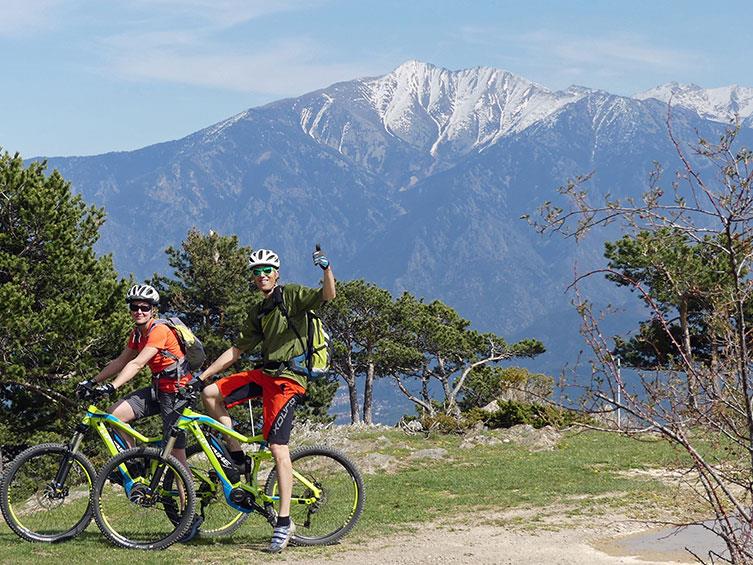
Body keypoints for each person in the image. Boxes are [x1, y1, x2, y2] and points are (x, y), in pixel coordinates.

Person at [194, 246, 335, 553]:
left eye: (266, 271)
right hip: (264, 374)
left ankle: (284, 522)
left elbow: (327, 296)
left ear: (277, 272)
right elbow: (236, 351)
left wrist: (326, 269)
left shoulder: (291, 296)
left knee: (277, 447)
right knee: (210, 393)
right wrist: (204, 375)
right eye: (256, 272)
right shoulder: (258, 311)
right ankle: (236, 457)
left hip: (288, 381)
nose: (261, 276)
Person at [75, 283, 203, 541]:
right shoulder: (137, 333)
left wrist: (111, 386)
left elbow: (137, 363)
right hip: (157, 388)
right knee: (115, 415)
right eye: (135, 307)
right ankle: (135, 466)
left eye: (145, 307)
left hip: (176, 392)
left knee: (177, 456)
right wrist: (93, 381)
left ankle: (188, 515)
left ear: (153, 310)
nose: (139, 311)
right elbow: (121, 361)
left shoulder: (159, 331)